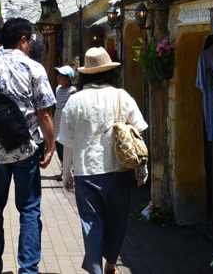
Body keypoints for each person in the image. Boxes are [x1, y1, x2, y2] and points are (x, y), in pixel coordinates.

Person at [0, 17, 55, 274]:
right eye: (30, 40)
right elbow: (45, 114)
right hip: (25, 151)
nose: (31, 45)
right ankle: (28, 269)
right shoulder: (34, 69)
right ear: (23, 39)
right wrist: (50, 147)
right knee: (28, 209)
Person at [57, 47, 148, 274]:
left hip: (86, 172)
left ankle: (96, 269)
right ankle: (110, 263)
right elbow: (138, 132)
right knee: (117, 221)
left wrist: (65, 172)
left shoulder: (75, 101)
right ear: (108, 72)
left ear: (85, 74)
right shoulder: (122, 96)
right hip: (117, 170)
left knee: (91, 223)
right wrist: (142, 166)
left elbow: (67, 142)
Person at [52, 65, 77, 187]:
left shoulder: (72, 91)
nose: (58, 78)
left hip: (66, 122)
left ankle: (68, 169)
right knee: (59, 146)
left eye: (62, 76)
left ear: (69, 79)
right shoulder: (57, 89)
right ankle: (63, 169)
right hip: (57, 121)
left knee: (66, 145)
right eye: (58, 75)